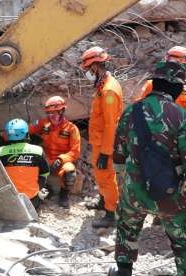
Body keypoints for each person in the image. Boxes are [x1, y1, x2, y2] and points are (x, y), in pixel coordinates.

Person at [110, 60, 186, 276]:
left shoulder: (130, 112)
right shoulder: (183, 117)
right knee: (184, 241)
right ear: (176, 87)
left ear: (154, 83)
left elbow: (119, 157)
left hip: (133, 191)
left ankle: (123, 271)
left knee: (126, 230)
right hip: (171, 196)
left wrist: (127, 186)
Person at [139, 46, 186, 232]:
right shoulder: (152, 86)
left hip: (183, 145)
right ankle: (161, 215)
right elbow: (140, 111)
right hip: (160, 146)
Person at [81, 46, 124, 228]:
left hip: (106, 144)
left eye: (88, 69)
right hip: (99, 141)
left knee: (106, 176)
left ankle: (111, 213)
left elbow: (110, 124)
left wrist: (106, 152)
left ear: (95, 66)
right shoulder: (102, 86)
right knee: (100, 175)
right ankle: (103, 201)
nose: (87, 73)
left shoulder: (108, 91)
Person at [29, 96, 81, 208]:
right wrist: (7, 134)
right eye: (49, 112)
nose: (53, 115)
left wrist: (61, 159)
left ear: (62, 111)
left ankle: (64, 194)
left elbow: (75, 151)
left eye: (56, 112)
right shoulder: (43, 123)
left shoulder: (71, 129)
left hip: (62, 161)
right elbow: (27, 129)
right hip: (46, 158)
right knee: (29, 162)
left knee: (69, 172)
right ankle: (43, 187)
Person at [0, 119, 50, 209]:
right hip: (32, 202)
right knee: (42, 175)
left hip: (9, 201)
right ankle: (39, 196)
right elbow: (45, 173)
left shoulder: (1, 151)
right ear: (26, 134)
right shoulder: (38, 150)